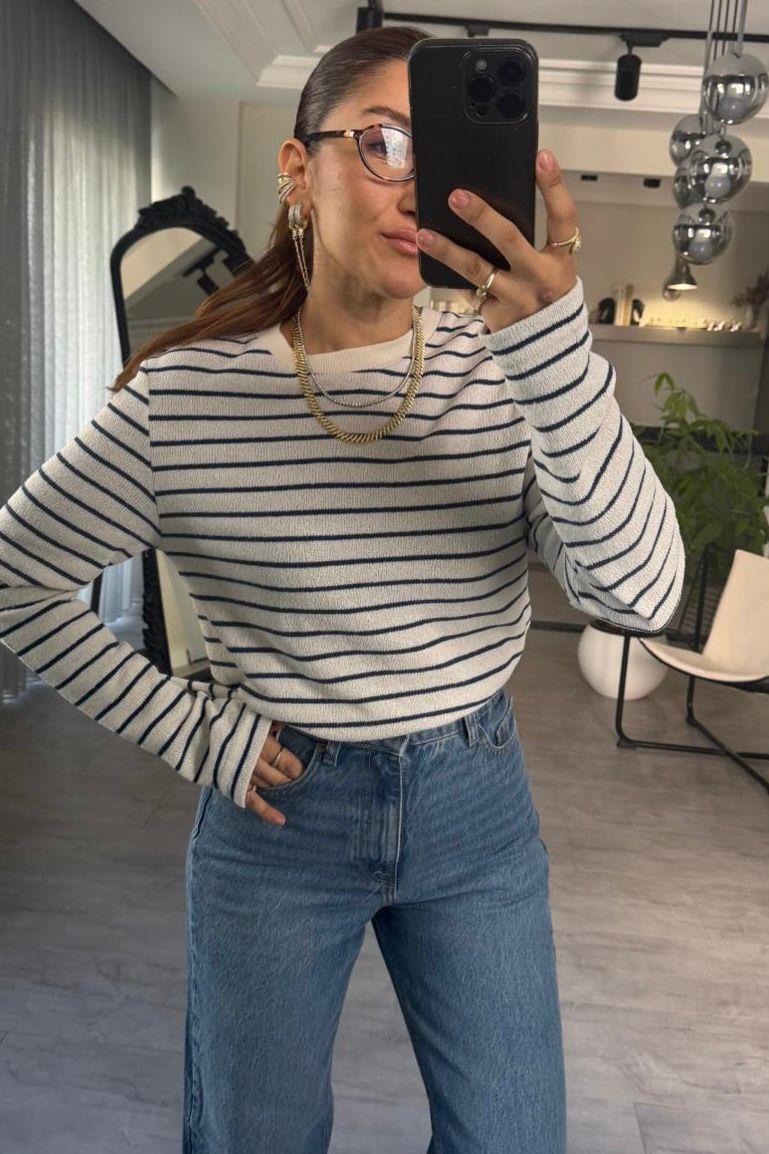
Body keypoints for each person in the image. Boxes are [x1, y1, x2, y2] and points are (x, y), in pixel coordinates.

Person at [0, 24, 685, 1154]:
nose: (418, 187)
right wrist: (191, 730)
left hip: (476, 804)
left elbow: (642, 595)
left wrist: (558, 359)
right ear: (296, 169)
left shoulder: (512, 372)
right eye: (383, 143)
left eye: (439, 151)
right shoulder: (187, 398)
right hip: (277, 817)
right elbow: (15, 579)